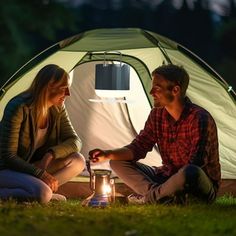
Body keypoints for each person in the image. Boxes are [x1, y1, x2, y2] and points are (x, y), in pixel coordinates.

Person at [89, 64, 221, 204]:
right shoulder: (157, 115)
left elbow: (197, 162)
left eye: (157, 88)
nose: (152, 92)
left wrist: (173, 181)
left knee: (190, 171)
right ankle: (163, 196)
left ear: (175, 90)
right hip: (166, 177)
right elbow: (138, 147)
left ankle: (151, 197)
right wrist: (107, 153)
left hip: (196, 184)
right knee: (116, 161)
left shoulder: (199, 118)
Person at [0, 64, 85, 204]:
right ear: (49, 87)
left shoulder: (57, 108)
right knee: (43, 195)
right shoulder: (19, 107)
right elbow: (8, 156)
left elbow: (75, 141)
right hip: (6, 168)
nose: (68, 93)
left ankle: (41, 190)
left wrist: (50, 154)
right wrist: (40, 173)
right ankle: (40, 192)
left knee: (78, 160)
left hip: (31, 165)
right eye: (63, 88)